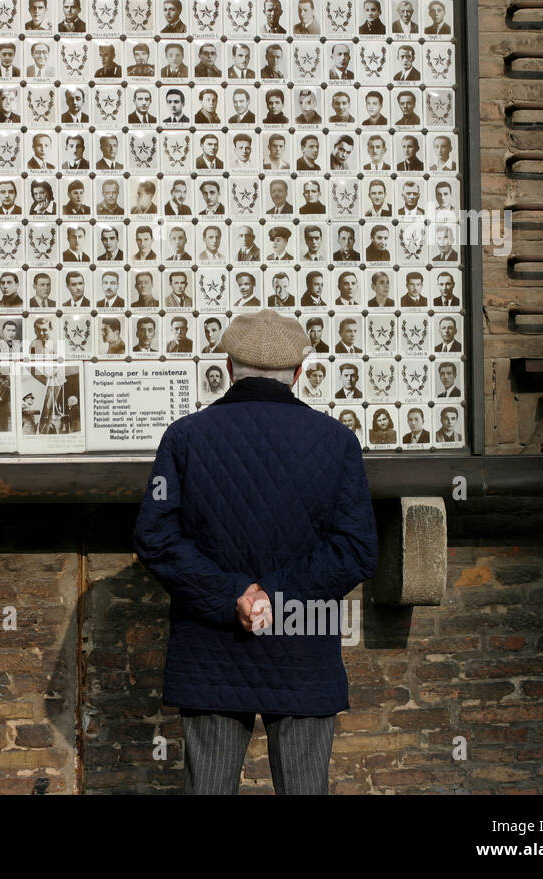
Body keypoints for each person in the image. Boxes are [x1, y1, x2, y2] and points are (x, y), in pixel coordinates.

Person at [133, 310, 377, 795]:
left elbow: (154, 538)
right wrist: (275, 595)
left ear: (228, 368)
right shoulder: (337, 442)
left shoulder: (184, 438)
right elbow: (354, 550)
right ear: (299, 374)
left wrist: (234, 596)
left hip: (211, 654)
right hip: (303, 650)